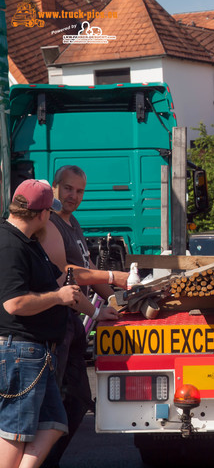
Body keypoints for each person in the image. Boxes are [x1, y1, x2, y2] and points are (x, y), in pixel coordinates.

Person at [0, 179, 118, 468]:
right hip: (20, 351)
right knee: (16, 434)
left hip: (37, 353)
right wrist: (57, 297)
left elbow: (67, 284)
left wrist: (96, 312)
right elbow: (14, 304)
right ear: (42, 214)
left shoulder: (29, 243)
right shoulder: (10, 245)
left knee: (53, 423)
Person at [39, 165, 129, 468]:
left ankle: (50, 460)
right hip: (53, 326)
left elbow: (88, 270)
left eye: (79, 191)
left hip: (73, 326)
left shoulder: (73, 222)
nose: (73, 196)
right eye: (68, 189)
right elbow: (68, 274)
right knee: (49, 408)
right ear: (55, 187)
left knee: (76, 403)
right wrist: (113, 277)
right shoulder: (50, 223)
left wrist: (117, 301)